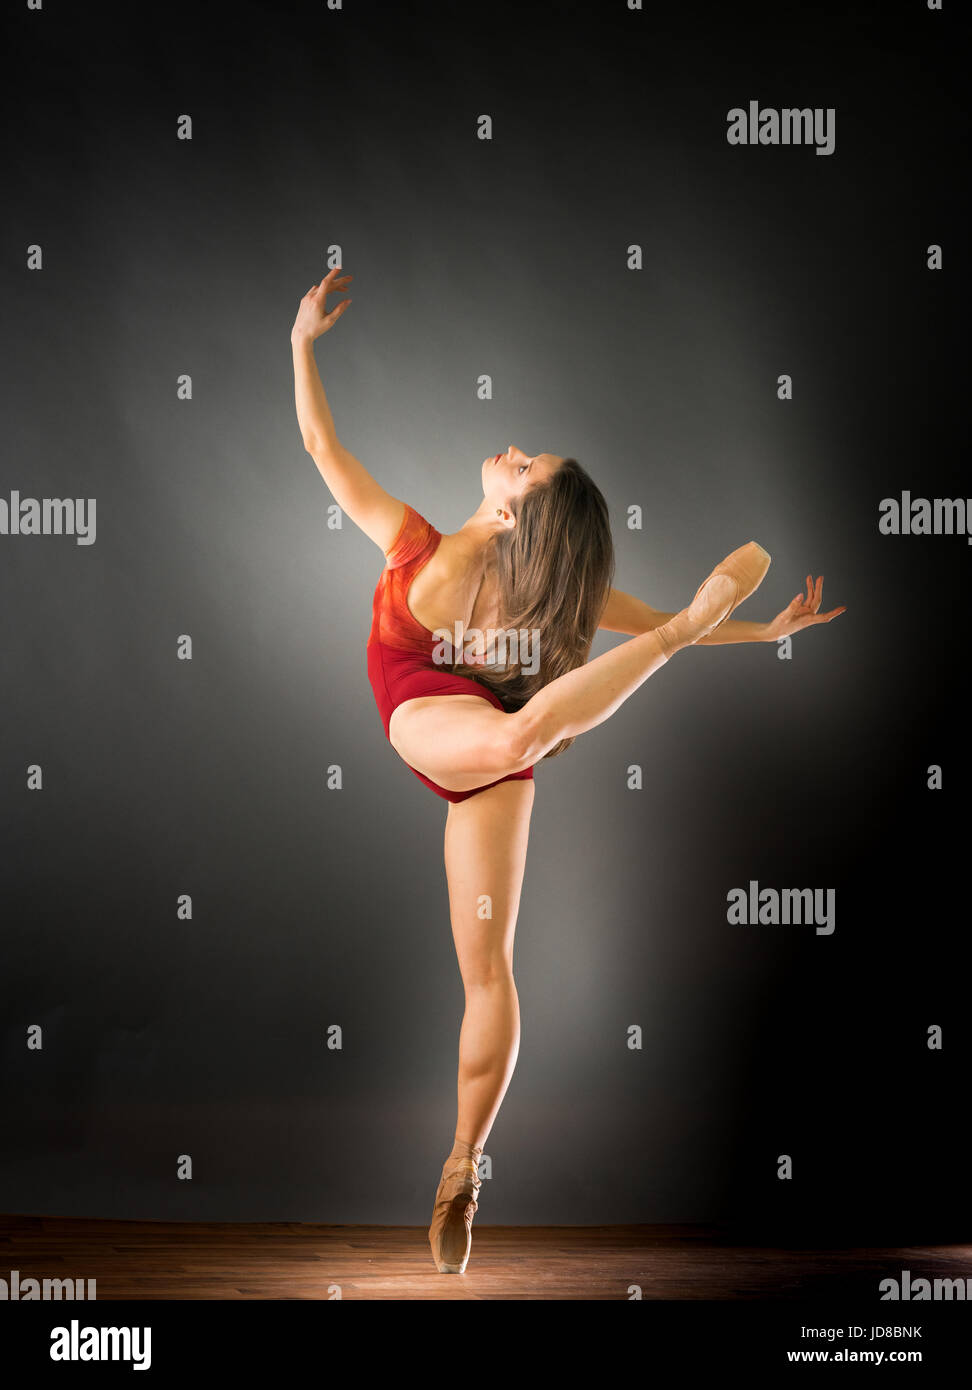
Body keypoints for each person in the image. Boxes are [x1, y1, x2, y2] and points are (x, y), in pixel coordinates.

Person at [290, 268, 846, 1274]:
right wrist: (300, 343)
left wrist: (765, 632)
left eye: (526, 465)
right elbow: (324, 449)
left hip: (511, 743)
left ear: (518, 515)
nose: (513, 449)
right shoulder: (414, 546)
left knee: (490, 969)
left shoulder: (553, 590)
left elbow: (645, 613)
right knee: (516, 737)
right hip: (428, 714)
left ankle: (462, 1168)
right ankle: (662, 649)